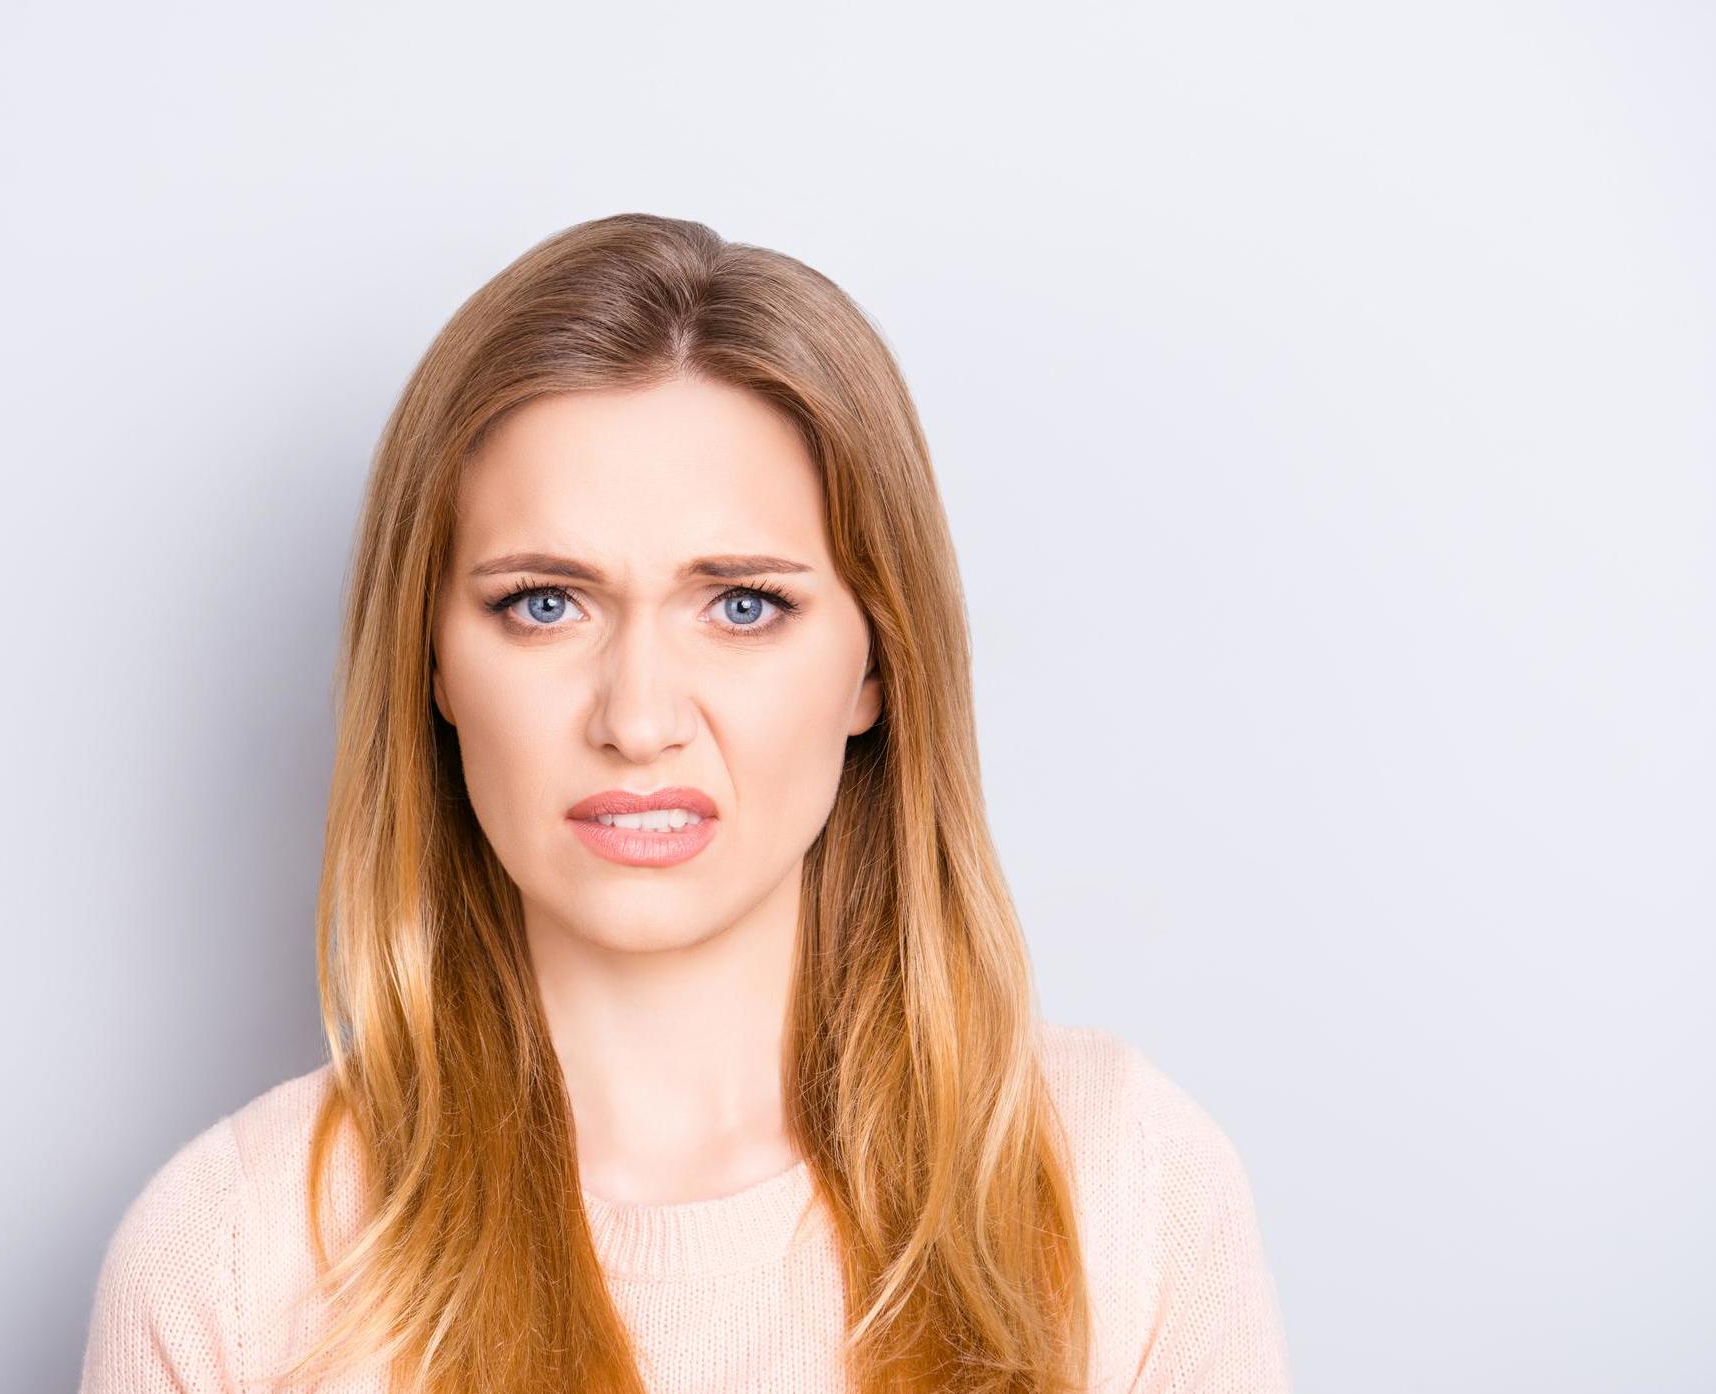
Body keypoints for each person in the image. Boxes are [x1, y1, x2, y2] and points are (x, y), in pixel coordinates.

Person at [76, 212, 1292, 1394]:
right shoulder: (232, 1254)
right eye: (546, 602)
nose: (640, 715)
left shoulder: (1119, 1183)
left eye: (744, 603)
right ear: (432, 663)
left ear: (878, 662)